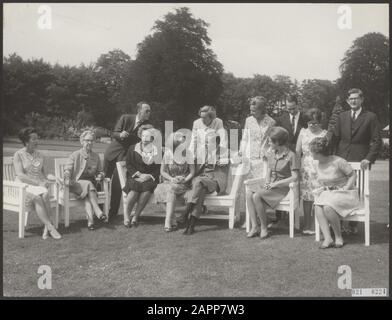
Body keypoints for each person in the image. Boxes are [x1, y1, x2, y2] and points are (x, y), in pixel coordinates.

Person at [331, 88, 382, 234]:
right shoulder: (342, 116)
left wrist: (369, 158)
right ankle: (339, 224)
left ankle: (353, 225)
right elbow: (334, 138)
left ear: (362, 99)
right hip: (341, 159)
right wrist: (332, 157)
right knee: (340, 190)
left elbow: (377, 141)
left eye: (356, 98)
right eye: (350, 99)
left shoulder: (371, 117)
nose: (353, 101)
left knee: (357, 191)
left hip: (361, 160)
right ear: (347, 101)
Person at [246, 127, 299, 239]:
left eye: (270, 140)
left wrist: (275, 184)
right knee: (249, 193)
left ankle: (264, 228)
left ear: (278, 142)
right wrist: (267, 182)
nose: (268, 142)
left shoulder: (291, 156)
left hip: (284, 188)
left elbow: (294, 177)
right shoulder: (271, 153)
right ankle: (255, 226)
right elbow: (269, 171)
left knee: (256, 195)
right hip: (272, 185)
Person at [104, 101, 152, 222]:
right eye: (147, 111)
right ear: (139, 111)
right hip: (112, 153)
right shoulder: (125, 118)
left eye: (150, 111)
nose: (149, 113)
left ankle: (112, 213)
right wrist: (120, 134)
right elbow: (114, 133)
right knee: (103, 181)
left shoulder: (147, 125)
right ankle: (99, 211)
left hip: (125, 156)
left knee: (117, 183)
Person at [310, 137, 360, 249]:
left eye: (312, 152)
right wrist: (316, 183)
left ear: (319, 153)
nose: (311, 154)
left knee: (328, 207)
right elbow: (313, 177)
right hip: (328, 194)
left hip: (344, 194)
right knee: (317, 206)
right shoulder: (315, 163)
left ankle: (338, 237)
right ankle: (328, 238)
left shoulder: (338, 161)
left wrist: (346, 187)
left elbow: (352, 175)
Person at [13, 127, 62, 239]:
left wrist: (55, 178)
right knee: (38, 197)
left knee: (45, 194)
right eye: (33, 139)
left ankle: (46, 228)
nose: (37, 141)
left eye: (37, 138)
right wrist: (38, 183)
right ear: (26, 141)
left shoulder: (40, 154)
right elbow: (20, 175)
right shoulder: (18, 154)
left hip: (38, 186)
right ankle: (50, 226)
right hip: (23, 186)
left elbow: (46, 173)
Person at [237, 96, 276, 216]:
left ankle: (262, 216)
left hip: (264, 160)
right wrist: (241, 152)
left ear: (262, 109)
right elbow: (245, 138)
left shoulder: (271, 122)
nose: (251, 112)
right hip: (249, 159)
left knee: (260, 188)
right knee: (248, 188)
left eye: (254, 110)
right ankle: (251, 217)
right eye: (251, 110)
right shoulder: (248, 120)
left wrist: (268, 152)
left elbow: (272, 141)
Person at [63, 130, 106, 230]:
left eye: (91, 140)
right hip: (76, 184)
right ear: (82, 141)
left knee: (88, 195)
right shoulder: (75, 155)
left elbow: (100, 171)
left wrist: (100, 175)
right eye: (87, 140)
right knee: (88, 184)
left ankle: (90, 223)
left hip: (89, 187)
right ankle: (98, 211)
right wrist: (67, 176)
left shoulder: (96, 156)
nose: (89, 143)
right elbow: (67, 169)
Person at [154, 131, 195, 232]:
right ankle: (173, 219)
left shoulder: (188, 153)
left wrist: (184, 179)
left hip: (183, 183)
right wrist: (171, 179)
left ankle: (167, 221)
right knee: (159, 190)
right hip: (169, 181)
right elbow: (162, 171)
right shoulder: (168, 153)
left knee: (171, 189)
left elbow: (192, 172)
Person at [295, 108, 327, 235]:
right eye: (310, 123)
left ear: (320, 122)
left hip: (320, 167)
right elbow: (297, 152)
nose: (312, 125)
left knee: (318, 196)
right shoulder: (303, 132)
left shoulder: (325, 134)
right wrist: (296, 169)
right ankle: (307, 223)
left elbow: (327, 153)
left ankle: (315, 224)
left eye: (315, 123)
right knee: (307, 197)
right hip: (305, 168)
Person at [122, 126, 160, 228]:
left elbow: (158, 168)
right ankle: (126, 217)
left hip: (149, 179)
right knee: (134, 190)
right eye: (143, 135)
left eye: (147, 136)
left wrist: (148, 176)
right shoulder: (132, 148)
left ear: (152, 138)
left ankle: (135, 217)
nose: (144, 138)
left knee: (147, 190)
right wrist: (139, 174)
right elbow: (128, 164)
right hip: (135, 177)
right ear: (140, 136)